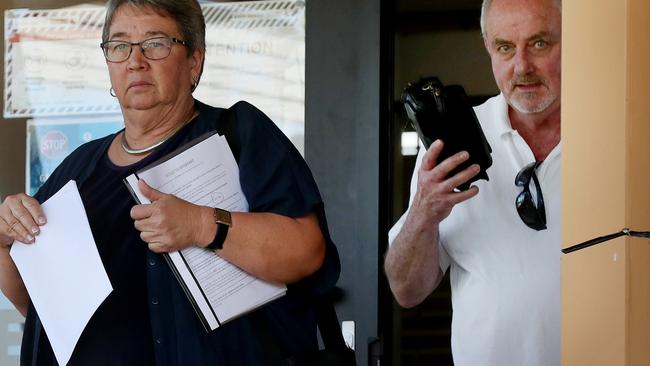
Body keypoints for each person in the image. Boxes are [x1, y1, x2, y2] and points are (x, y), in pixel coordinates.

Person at [0, 0, 340, 364]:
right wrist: (7, 242)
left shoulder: (237, 135)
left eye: (155, 43)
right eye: (119, 46)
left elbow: (306, 251)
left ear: (195, 60)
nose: (135, 60)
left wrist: (200, 224)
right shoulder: (76, 169)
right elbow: (39, 308)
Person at [384, 0, 561, 365]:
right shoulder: (446, 151)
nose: (522, 66)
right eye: (505, 47)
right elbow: (407, 290)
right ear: (487, 47)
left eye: (540, 43)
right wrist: (424, 212)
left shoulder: (620, 137)